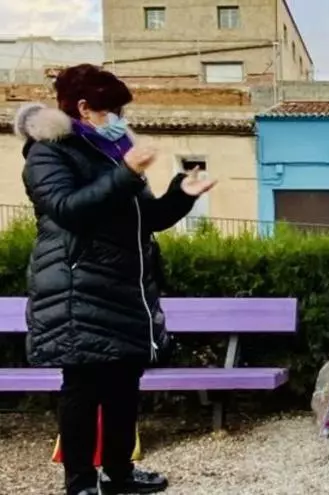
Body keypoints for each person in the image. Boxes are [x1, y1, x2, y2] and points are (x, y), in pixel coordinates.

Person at [14, 64, 216, 495]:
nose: (120, 118)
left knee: (124, 384)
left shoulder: (114, 150)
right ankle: (81, 481)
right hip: (78, 289)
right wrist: (125, 173)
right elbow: (69, 209)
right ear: (84, 108)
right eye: (113, 110)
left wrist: (182, 194)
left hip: (125, 288)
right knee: (83, 388)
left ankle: (119, 473)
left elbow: (146, 218)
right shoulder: (48, 152)